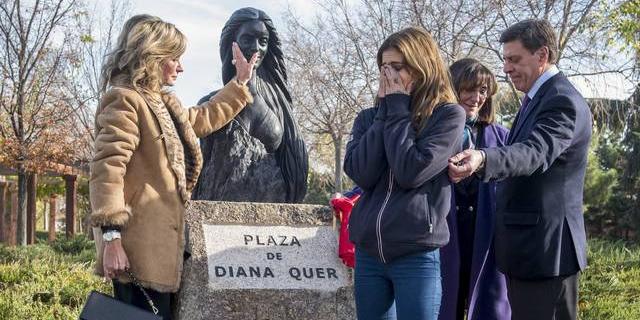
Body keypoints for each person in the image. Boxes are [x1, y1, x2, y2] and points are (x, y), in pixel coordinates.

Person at [90, 14, 257, 319]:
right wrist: (111, 239)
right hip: (134, 256)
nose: (181, 67)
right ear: (152, 58)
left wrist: (240, 83)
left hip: (162, 253)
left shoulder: (163, 103)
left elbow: (201, 119)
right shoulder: (125, 100)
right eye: (175, 59)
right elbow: (107, 171)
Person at [448, 19, 592, 320]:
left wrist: (483, 159)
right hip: (527, 253)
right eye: (505, 60)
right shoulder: (537, 99)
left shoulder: (562, 100)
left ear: (541, 56)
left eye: (514, 59)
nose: (507, 68)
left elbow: (534, 152)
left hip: (546, 255)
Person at [344, 27, 465, 320]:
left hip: (415, 253)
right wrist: (386, 113)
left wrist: (397, 109)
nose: (389, 76)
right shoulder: (369, 118)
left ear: (421, 67)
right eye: (384, 68)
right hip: (369, 253)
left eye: (397, 67)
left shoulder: (448, 116)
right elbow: (360, 171)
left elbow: (411, 171)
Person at [192, 7, 308, 203]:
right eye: (247, 39)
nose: (256, 47)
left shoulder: (280, 109)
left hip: (270, 214)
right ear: (231, 44)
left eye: (263, 41)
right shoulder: (208, 105)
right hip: (219, 213)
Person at [439, 58, 510, 320]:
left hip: (487, 244)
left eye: (482, 91)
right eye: (469, 89)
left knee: (491, 310)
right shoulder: (433, 133)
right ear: (451, 88)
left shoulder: (504, 138)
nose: (476, 97)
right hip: (444, 243)